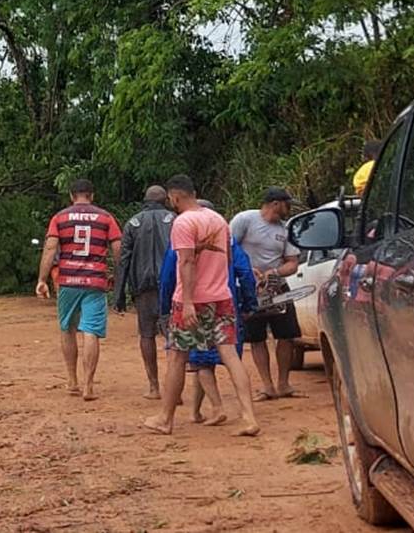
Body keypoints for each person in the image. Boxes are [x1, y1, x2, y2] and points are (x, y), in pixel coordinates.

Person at [143, 175, 259, 436]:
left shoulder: (183, 222)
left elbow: (185, 262)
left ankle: (165, 418)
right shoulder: (219, 220)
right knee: (230, 356)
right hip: (223, 298)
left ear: (174, 197)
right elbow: (229, 259)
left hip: (195, 300)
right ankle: (249, 418)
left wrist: (186, 303)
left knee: (177, 357)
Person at [36, 179, 122, 402]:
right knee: (91, 330)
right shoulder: (106, 217)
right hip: (95, 281)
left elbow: (50, 248)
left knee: (68, 328)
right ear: (91, 195)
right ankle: (88, 385)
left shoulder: (60, 218)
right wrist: (119, 276)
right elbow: (117, 249)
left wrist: (42, 279)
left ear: (71, 196)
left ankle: (72, 380)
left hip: (68, 281)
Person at [230, 187, 303, 401]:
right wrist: (245, 270)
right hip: (249, 288)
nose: (288, 209)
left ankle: (283, 383)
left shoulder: (286, 229)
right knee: (257, 337)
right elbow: (227, 248)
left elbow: (293, 263)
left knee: (287, 335)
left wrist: (275, 272)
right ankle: (267, 385)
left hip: (277, 287)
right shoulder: (245, 220)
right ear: (275, 203)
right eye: (286, 204)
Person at [113, 185, 174, 400]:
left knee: (146, 335)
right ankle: (174, 388)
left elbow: (124, 261)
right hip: (171, 286)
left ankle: (154, 386)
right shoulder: (174, 220)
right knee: (172, 335)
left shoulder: (133, 223)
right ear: (165, 200)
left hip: (143, 288)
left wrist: (118, 294)